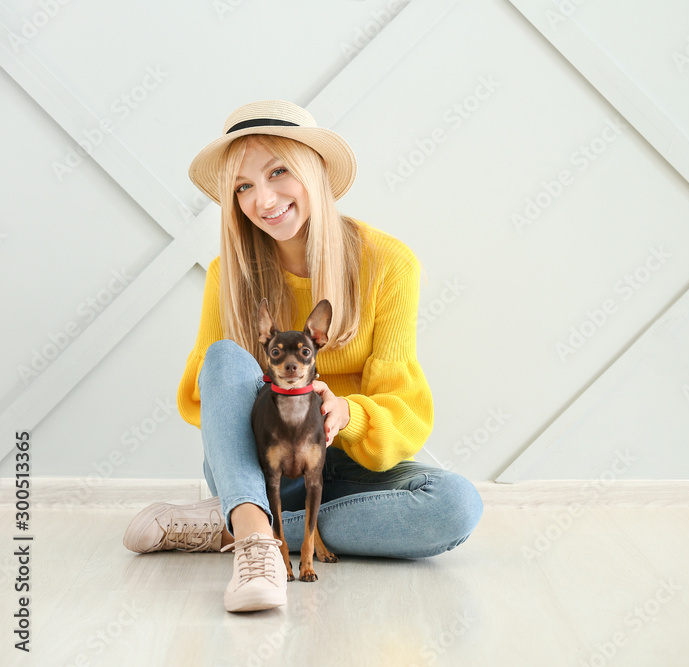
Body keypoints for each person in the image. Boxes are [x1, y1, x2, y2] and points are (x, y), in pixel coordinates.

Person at [123, 100, 483, 613]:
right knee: (223, 357)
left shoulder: (389, 263)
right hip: (267, 463)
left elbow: (404, 406)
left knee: (455, 505)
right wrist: (269, 396)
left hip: (352, 469)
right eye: (242, 186)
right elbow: (205, 398)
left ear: (313, 172)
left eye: (277, 172)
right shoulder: (229, 274)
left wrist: (348, 414)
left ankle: (235, 525)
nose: (262, 199)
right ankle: (250, 523)